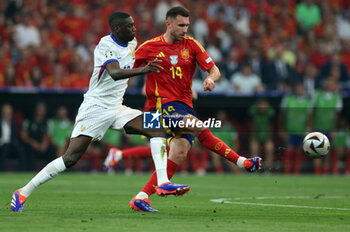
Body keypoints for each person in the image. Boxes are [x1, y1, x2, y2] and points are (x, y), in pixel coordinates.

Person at [11, 12, 189, 212]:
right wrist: (144, 70)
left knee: (156, 127)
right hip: (95, 108)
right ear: (117, 29)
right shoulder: (105, 45)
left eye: (134, 25)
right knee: (70, 158)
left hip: (116, 106)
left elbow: (139, 61)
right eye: (129, 27)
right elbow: (114, 73)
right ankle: (23, 191)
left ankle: (162, 182)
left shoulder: (132, 43)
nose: (134, 29)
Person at [105, 6, 262, 212]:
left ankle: (141, 198)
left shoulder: (192, 45)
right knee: (197, 127)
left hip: (184, 105)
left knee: (178, 154)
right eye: (181, 25)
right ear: (168, 24)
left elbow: (214, 70)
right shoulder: (150, 47)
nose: (185, 29)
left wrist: (210, 79)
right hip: (160, 107)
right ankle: (242, 162)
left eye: (187, 25)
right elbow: (126, 68)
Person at [0, 103, 25, 171]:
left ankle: (22, 171)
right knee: (4, 149)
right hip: (2, 145)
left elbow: (16, 136)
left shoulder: (13, 123)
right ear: (2, 111)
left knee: (21, 150)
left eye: (9, 111)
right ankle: (1, 171)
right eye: (6, 111)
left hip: (11, 145)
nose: (7, 113)